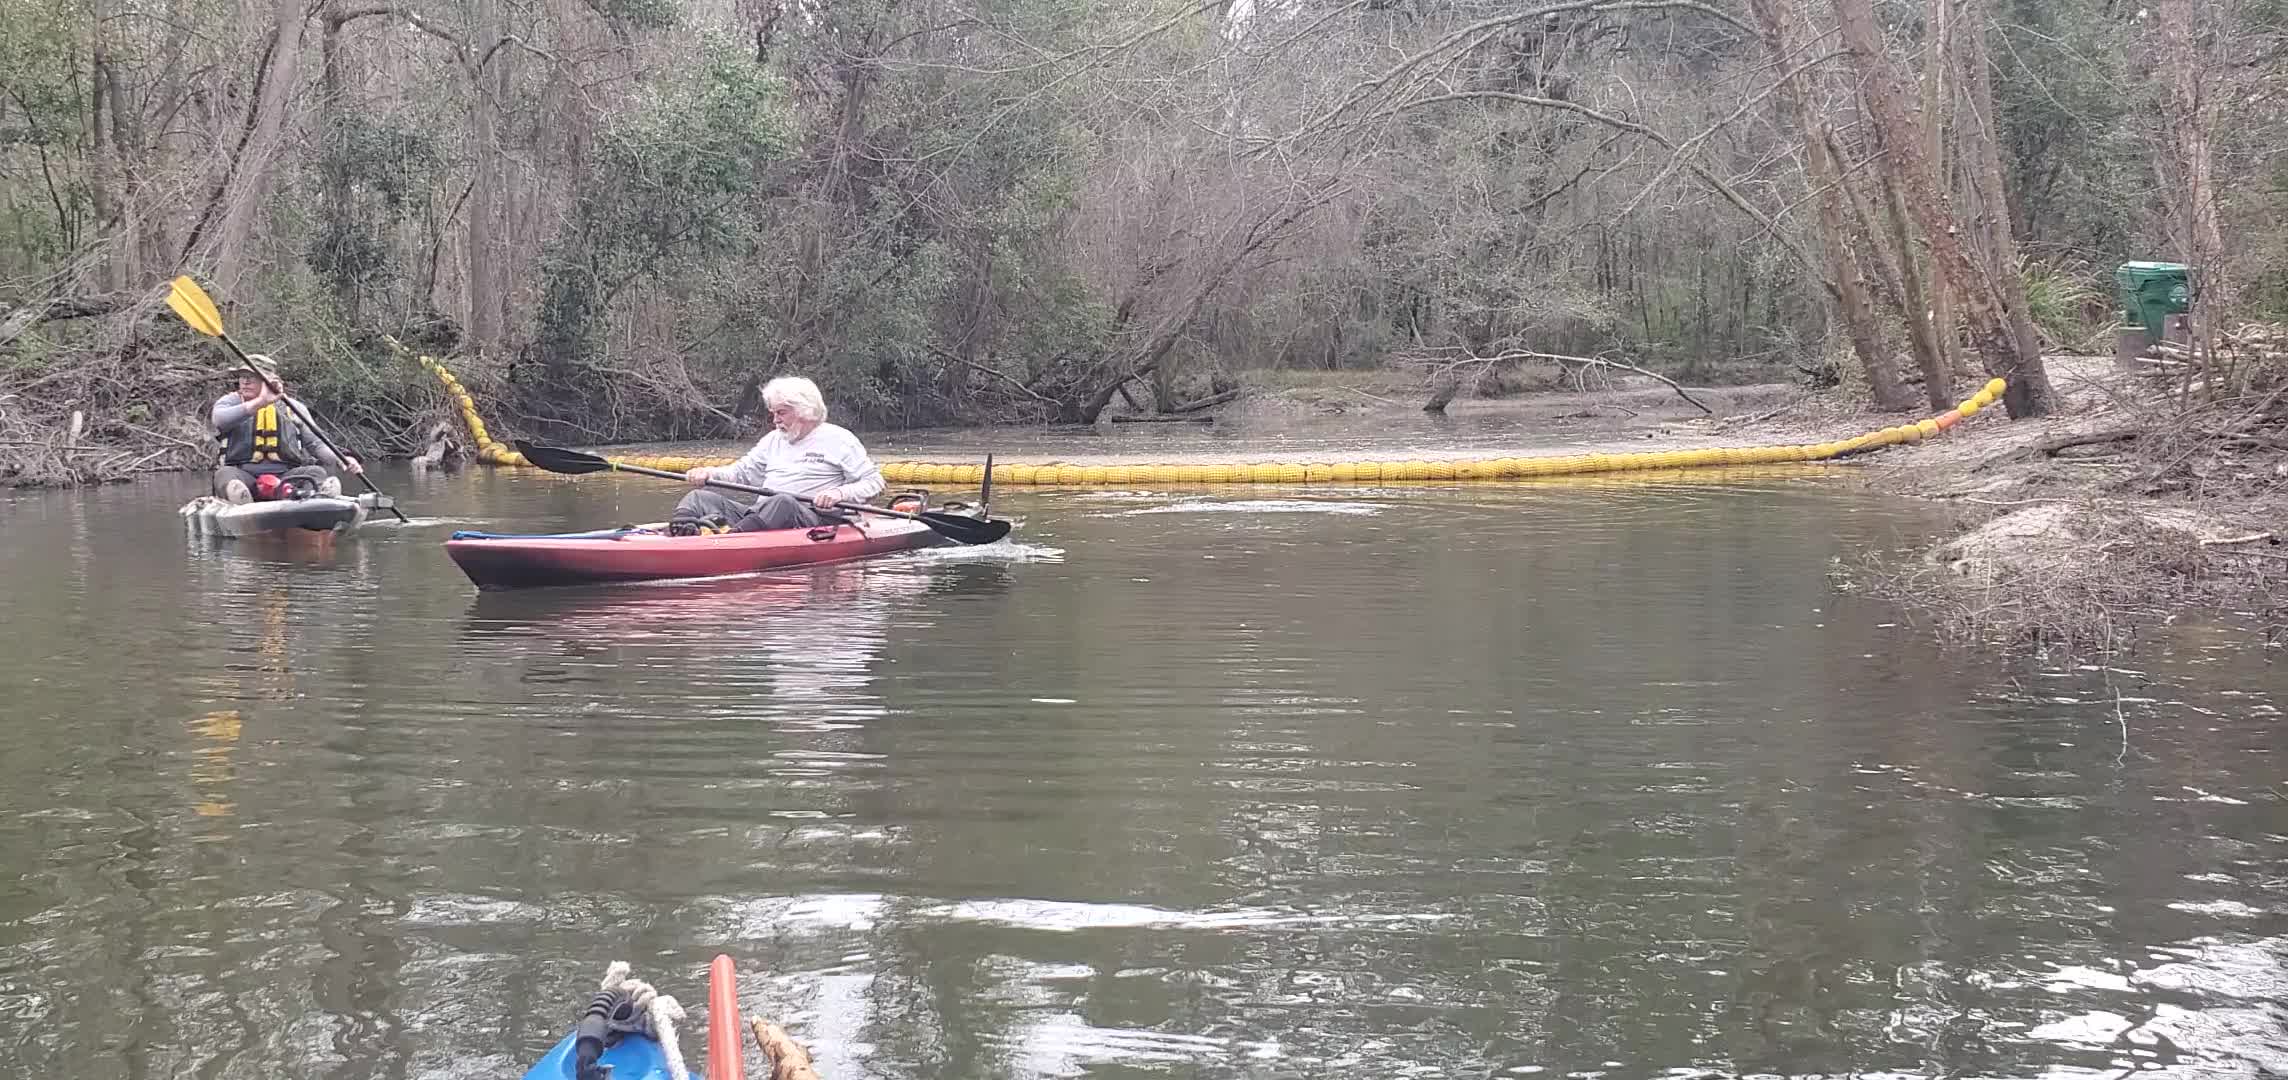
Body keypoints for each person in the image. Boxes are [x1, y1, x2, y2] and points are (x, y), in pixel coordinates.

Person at [669, 376, 884, 535]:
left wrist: (839, 493)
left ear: (804, 410)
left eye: (781, 413)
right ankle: (680, 531)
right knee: (699, 498)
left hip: (812, 518)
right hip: (760, 515)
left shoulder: (839, 439)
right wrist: (708, 473)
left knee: (782, 501)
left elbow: (875, 483)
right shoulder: (773, 440)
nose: (775, 420)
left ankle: (733, 540)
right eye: (773, 413)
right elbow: (740, 474)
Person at [208, 356, 363, 504]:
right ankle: (241, 502)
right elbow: (220, 420)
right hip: (244, 475)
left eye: (253, 376)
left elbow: (316, 444)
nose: (245, 381)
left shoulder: (293, 407)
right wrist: (261, 401)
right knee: (224, 474)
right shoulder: (230, 402)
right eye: (242, 376)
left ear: (269, 380)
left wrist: (341, 459)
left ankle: (315, 499)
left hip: (286, 477)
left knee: (317, 472)